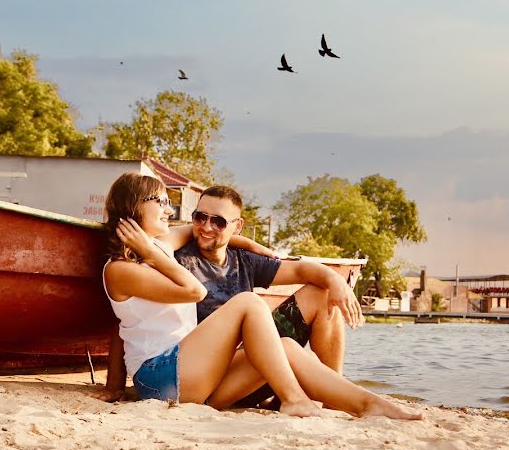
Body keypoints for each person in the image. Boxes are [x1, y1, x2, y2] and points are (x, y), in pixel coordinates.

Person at [99, 172, 420, 421]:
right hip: (160, 378)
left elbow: (208, 232)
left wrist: (253, 246)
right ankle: (294, 399)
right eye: (160, 200)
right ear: (134, 207)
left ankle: (368, 404)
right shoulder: (122, 269)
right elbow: (194, 291)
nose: (169, 209)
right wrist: (153, 256)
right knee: (248, 303)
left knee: (286, 346)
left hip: (191, 376)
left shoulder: (160, 247)